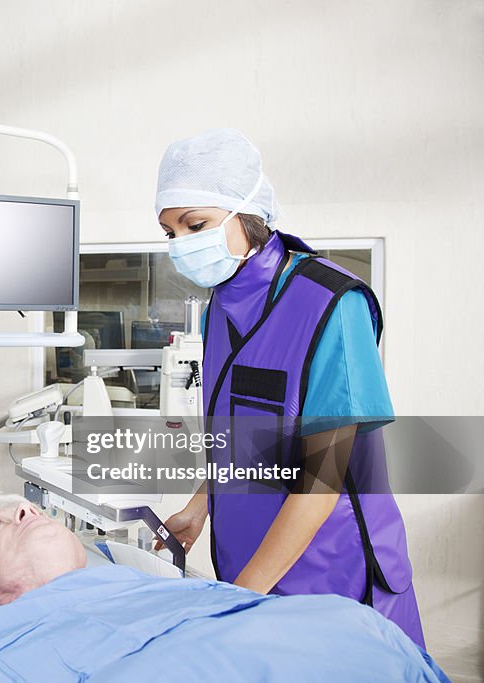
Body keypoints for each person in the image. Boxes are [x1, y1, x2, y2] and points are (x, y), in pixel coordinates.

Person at [152, 128, 423, 646]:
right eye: (170, 233)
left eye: (196, 225)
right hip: (248, 567)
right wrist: (198, 505)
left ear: (247, 213)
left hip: (334, 576)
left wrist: (241, 598)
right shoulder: (219, 309)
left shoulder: (331, 303)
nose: (182, 246)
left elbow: (322, 482)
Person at [0, 493, 447, 682]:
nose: (26, 507)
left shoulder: (142, 588)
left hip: (348, 636)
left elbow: (321, 459)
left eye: (22, 506)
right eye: (0, 525)